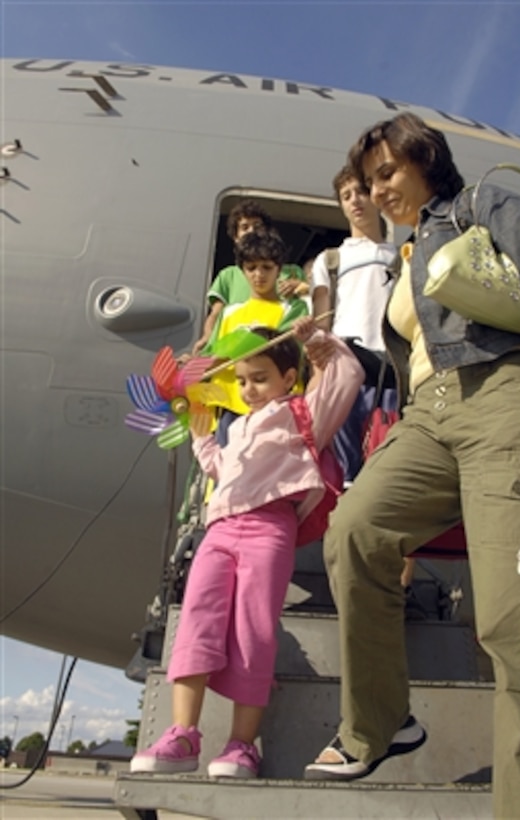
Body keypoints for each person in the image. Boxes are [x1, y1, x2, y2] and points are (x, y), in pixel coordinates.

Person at [304, 113, 520, 820]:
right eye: (366, 181)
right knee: (354, 530)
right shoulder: (408, 252)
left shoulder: (483, 206)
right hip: (427, 415)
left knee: (510, 618)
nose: (377, 191)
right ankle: (379, 724)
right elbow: (411, 354)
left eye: (386, 173)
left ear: (426, 161)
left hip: (505, 395)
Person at [130, 317, 365, 779]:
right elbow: (222, 470)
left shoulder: (306, 414)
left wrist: (313, 340)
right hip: (219, 529)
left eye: (260, 378)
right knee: (197, 621)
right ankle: (183, 735)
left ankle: (241, 745)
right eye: (241, 380)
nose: (249, 388)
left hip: (269, 529)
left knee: (254, 631)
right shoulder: (235, 428)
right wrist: (198, 431)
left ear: (289, 379)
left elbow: (348, 373)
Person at [311, 165, 397, 483]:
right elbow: (322, 324)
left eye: (361, 191)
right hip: (345, 373)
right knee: (344, 475)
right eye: (346, 196)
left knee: (383, 474)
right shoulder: (330, 260)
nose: (355, 201)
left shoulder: (401, 256)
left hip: (391, 376)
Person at [203, 229, 308, 443]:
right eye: (251, 268)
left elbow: (289, 355)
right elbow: (210, 356)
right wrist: (189, 366)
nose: (258, 274)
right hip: (229, 405)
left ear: (279, 270)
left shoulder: (293, 309)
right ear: (241, 270)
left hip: (273, 409)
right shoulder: (229, 313)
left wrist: (231, 353)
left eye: (266, 267)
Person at [192, 199, 306, 354]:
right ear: (236, 237)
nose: (259, 274)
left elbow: (311, 300)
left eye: (257, 226)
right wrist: (208, 339)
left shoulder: (293, 273)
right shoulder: (228, 277)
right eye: (245, 227)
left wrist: (301, 285)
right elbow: (216, 314)